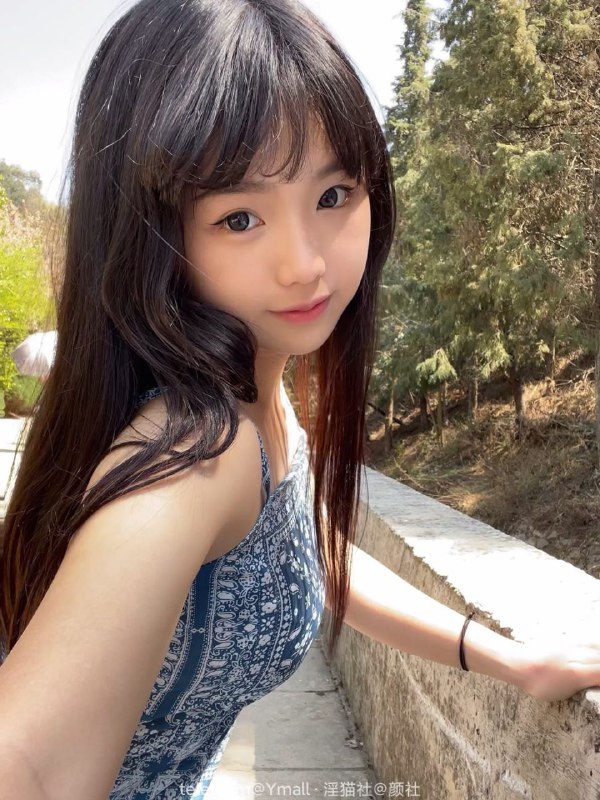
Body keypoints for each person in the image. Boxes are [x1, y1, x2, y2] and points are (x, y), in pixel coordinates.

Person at [0, 0, 598, 797]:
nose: (305, 264)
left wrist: (508, 659)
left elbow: (310, 549)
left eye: (333, 194)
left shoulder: (260, 399)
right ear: (152, 238)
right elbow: (26, 764)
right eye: (240, 217)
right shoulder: (195, 451)